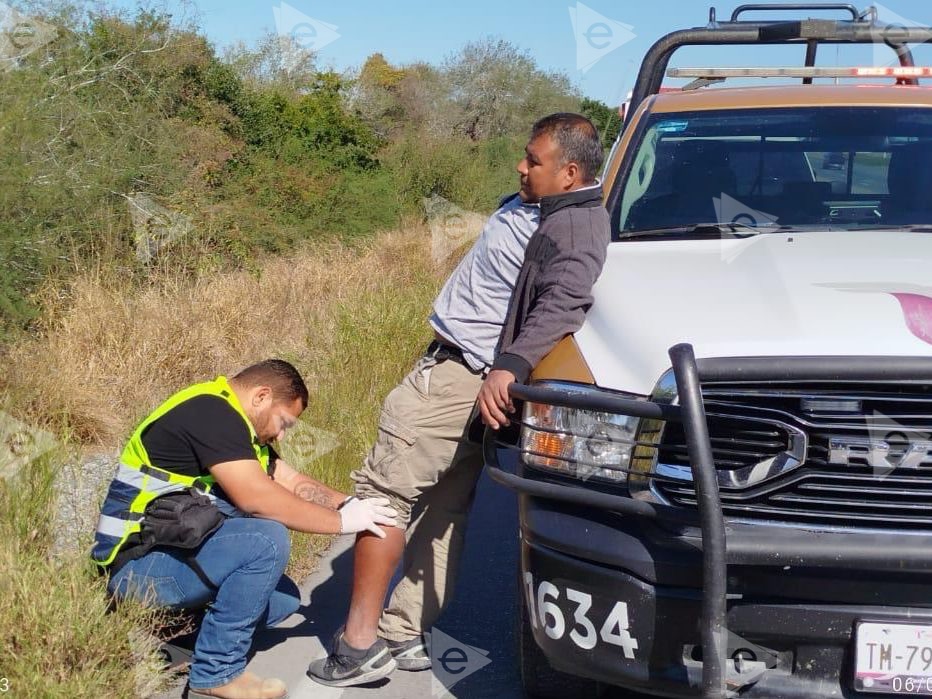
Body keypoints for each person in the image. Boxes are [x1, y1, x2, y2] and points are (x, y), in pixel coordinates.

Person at [308, 113, 609, 688]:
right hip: (463, 371)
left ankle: (359, 645)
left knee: (382, 497)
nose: (521, 167)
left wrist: (509, 367)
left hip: (458, 377)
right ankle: (403, 634)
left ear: (571, 173)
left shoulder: (575, 226)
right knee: (444, 510)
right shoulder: (542, 204)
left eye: (534, 162)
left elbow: (566, 300)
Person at [91, 359, 397, 699]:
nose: (281, 435)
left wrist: (347, 504)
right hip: (134, 568)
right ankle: (216, 674)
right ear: (262, 396)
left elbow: (288, 479)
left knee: (282, 599)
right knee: (265, 540)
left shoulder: (234, 422)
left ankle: (180, 639)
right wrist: (341, 524)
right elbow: (257, 498)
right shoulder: (210, 413)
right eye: (284, 423)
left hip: (167, 555)